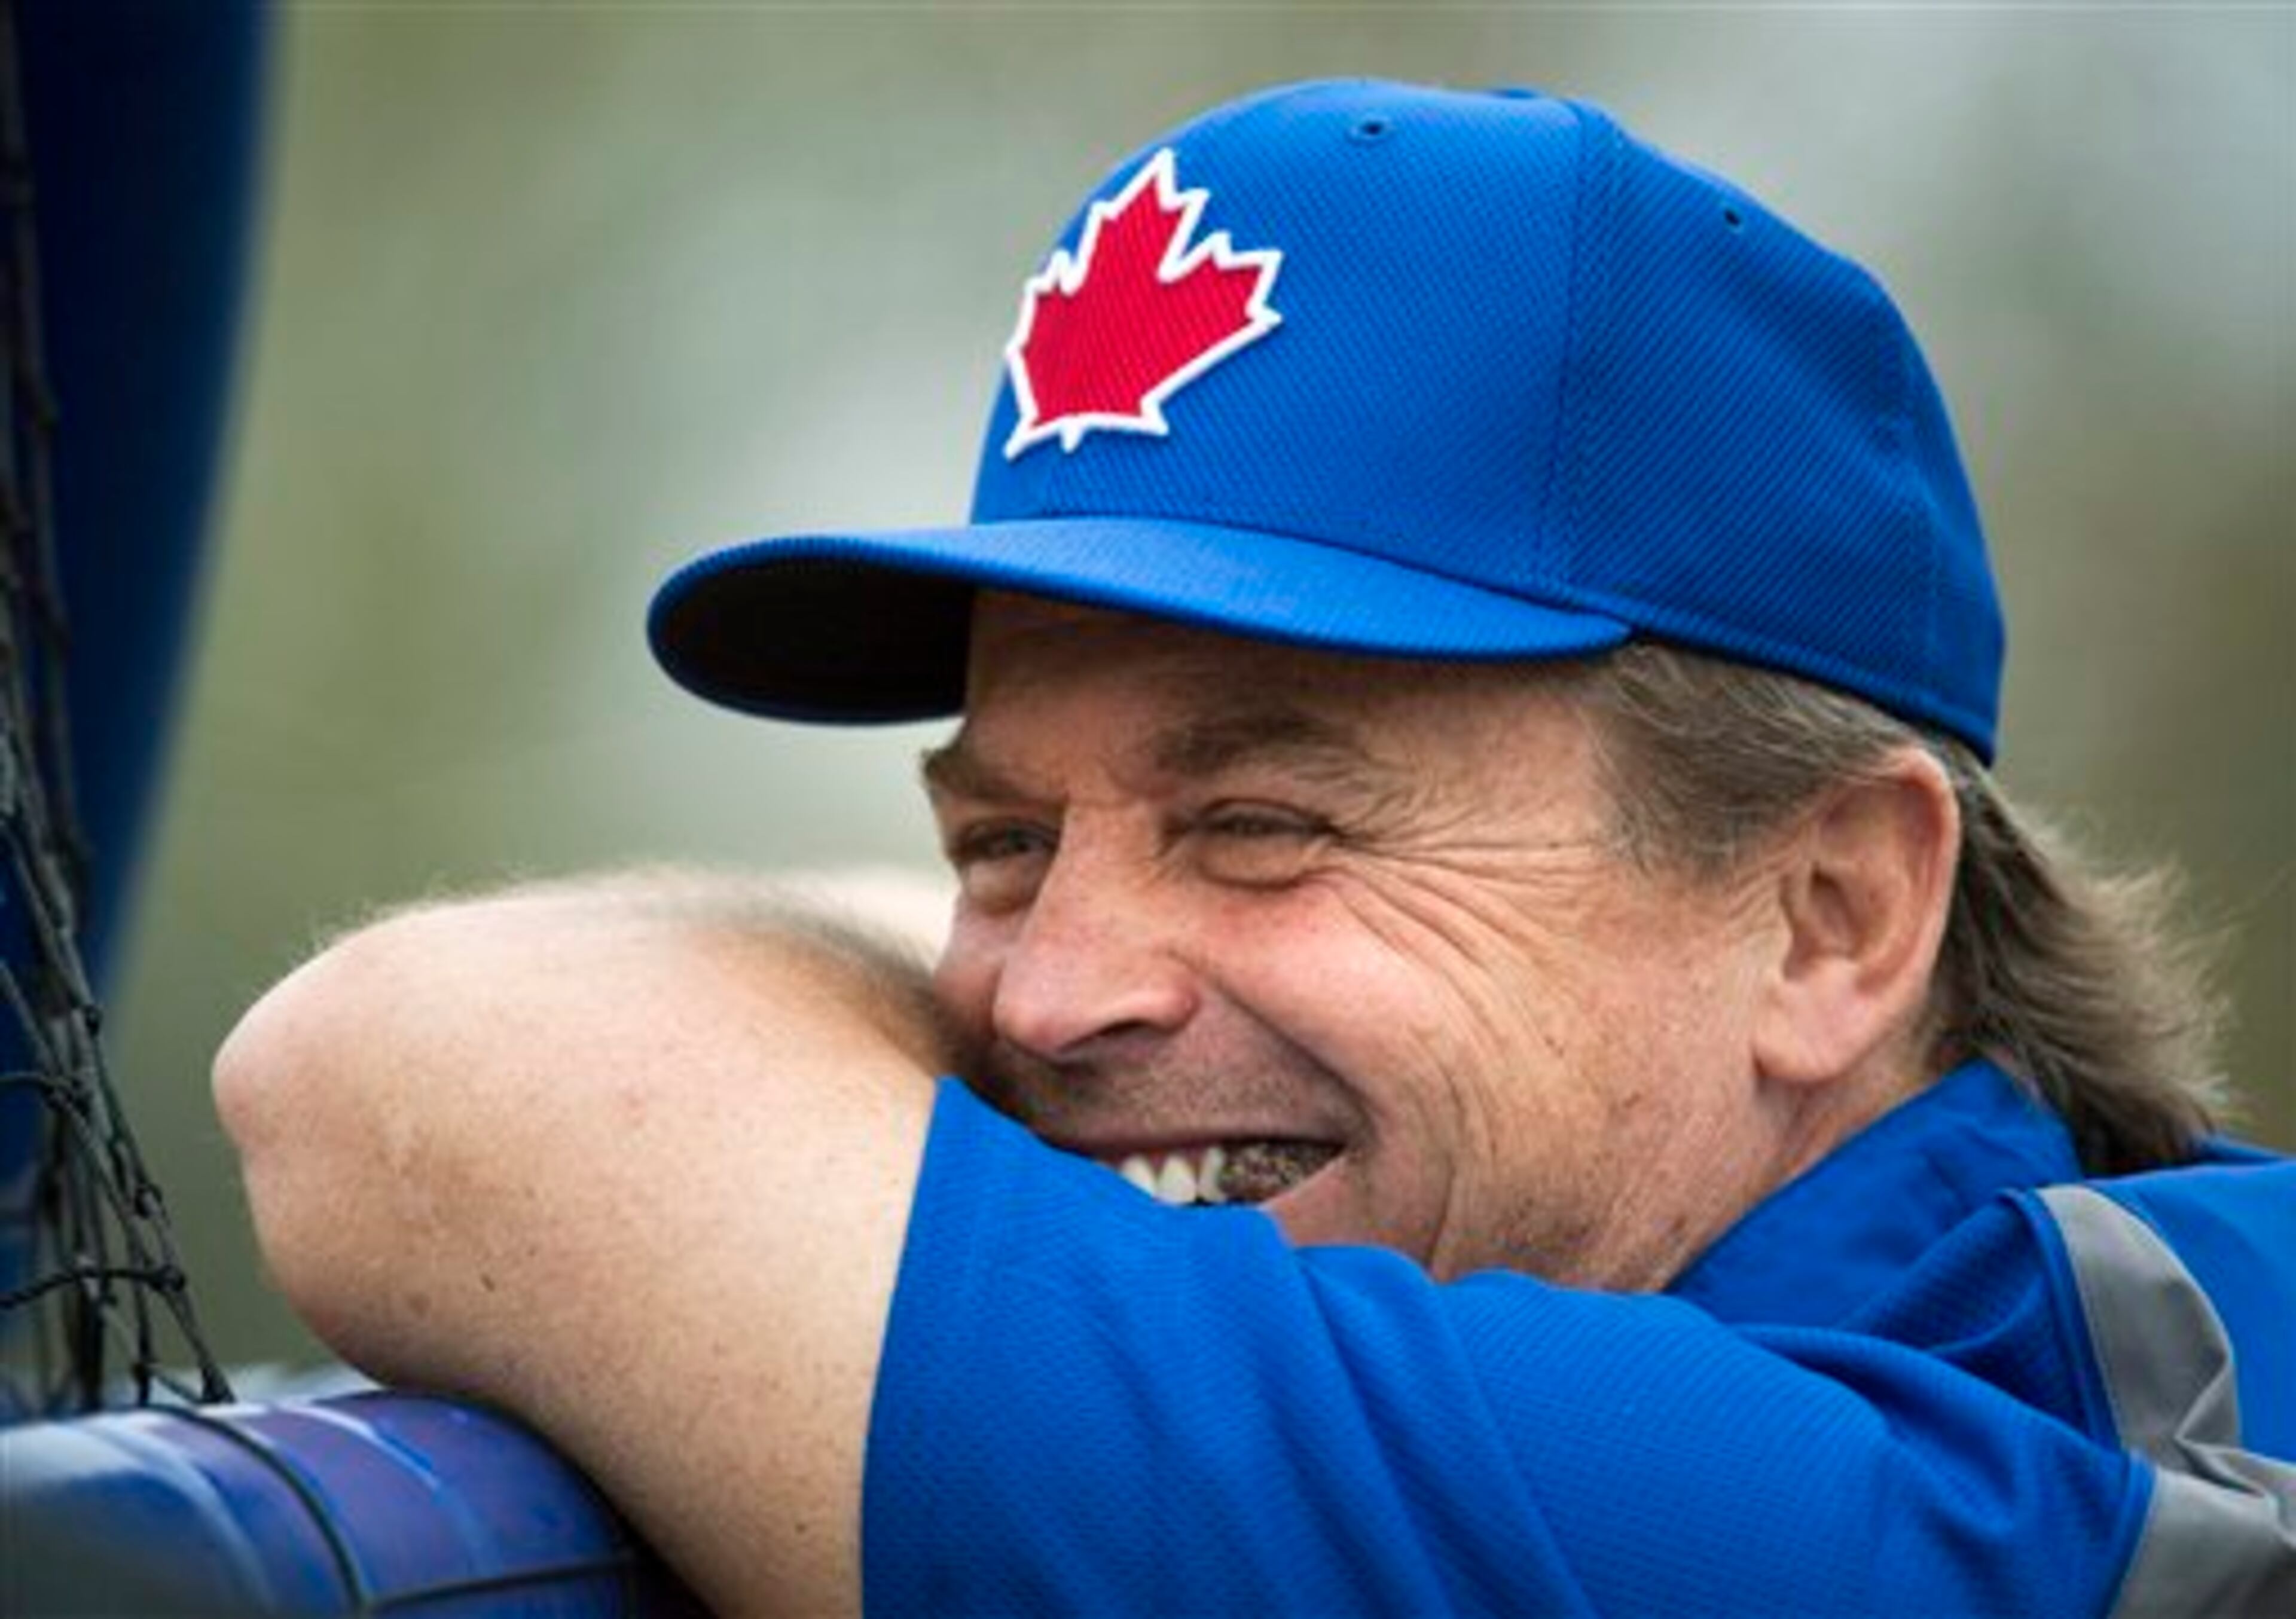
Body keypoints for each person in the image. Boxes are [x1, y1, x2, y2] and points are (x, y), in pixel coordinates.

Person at [215, 80, 2295, 1617]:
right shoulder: (2109, 1328)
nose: (1045, 988)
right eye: (1006, 843)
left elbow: (382, 1078)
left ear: (1831, 917)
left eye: (1262, 826)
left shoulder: (1853, 1518)